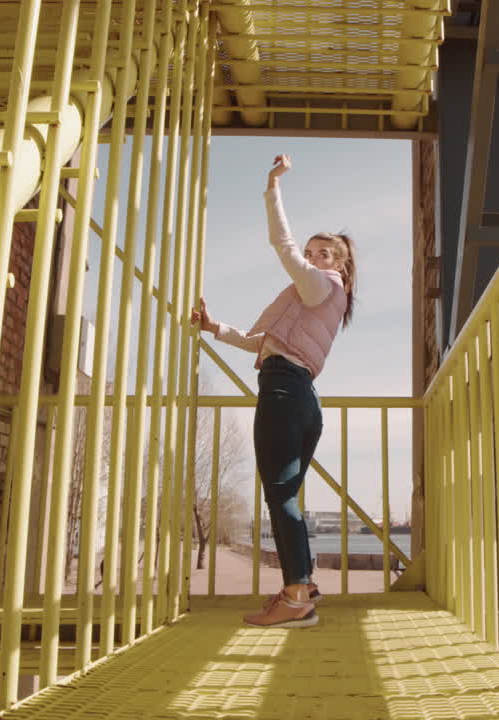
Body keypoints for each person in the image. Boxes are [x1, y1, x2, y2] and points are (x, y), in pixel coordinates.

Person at [192, 154, 357, 628]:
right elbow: (260, 342)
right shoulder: (308, 299)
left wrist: (272, 187)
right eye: (312, 252)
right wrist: (213, 327)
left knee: (280, 494)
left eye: (322, 252)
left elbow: (281, 245)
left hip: (286, 393)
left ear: (339, 264)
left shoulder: (323, 286)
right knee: (285, 495)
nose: (311, 257)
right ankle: (301, 586)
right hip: (298, 394)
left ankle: (296, 596)